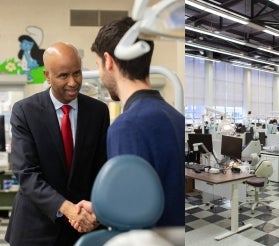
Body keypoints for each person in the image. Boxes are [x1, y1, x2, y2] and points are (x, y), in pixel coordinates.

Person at [5, 42, 110, 245]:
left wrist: (95, 210)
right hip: (36, 227)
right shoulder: (25, 112)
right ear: (47, 76)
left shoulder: (98, 112)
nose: (73, 82)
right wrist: (68, 209)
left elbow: (101, 169)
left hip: (83, 227)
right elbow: (27, 174)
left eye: (77, 73)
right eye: (63, 76)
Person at [87, 17, 184, 227]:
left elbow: (128, 213)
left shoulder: (126, 127)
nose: (101, 74)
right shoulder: (176, 118)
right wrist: (99, 207)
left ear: (108, 61)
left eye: (98, 66)